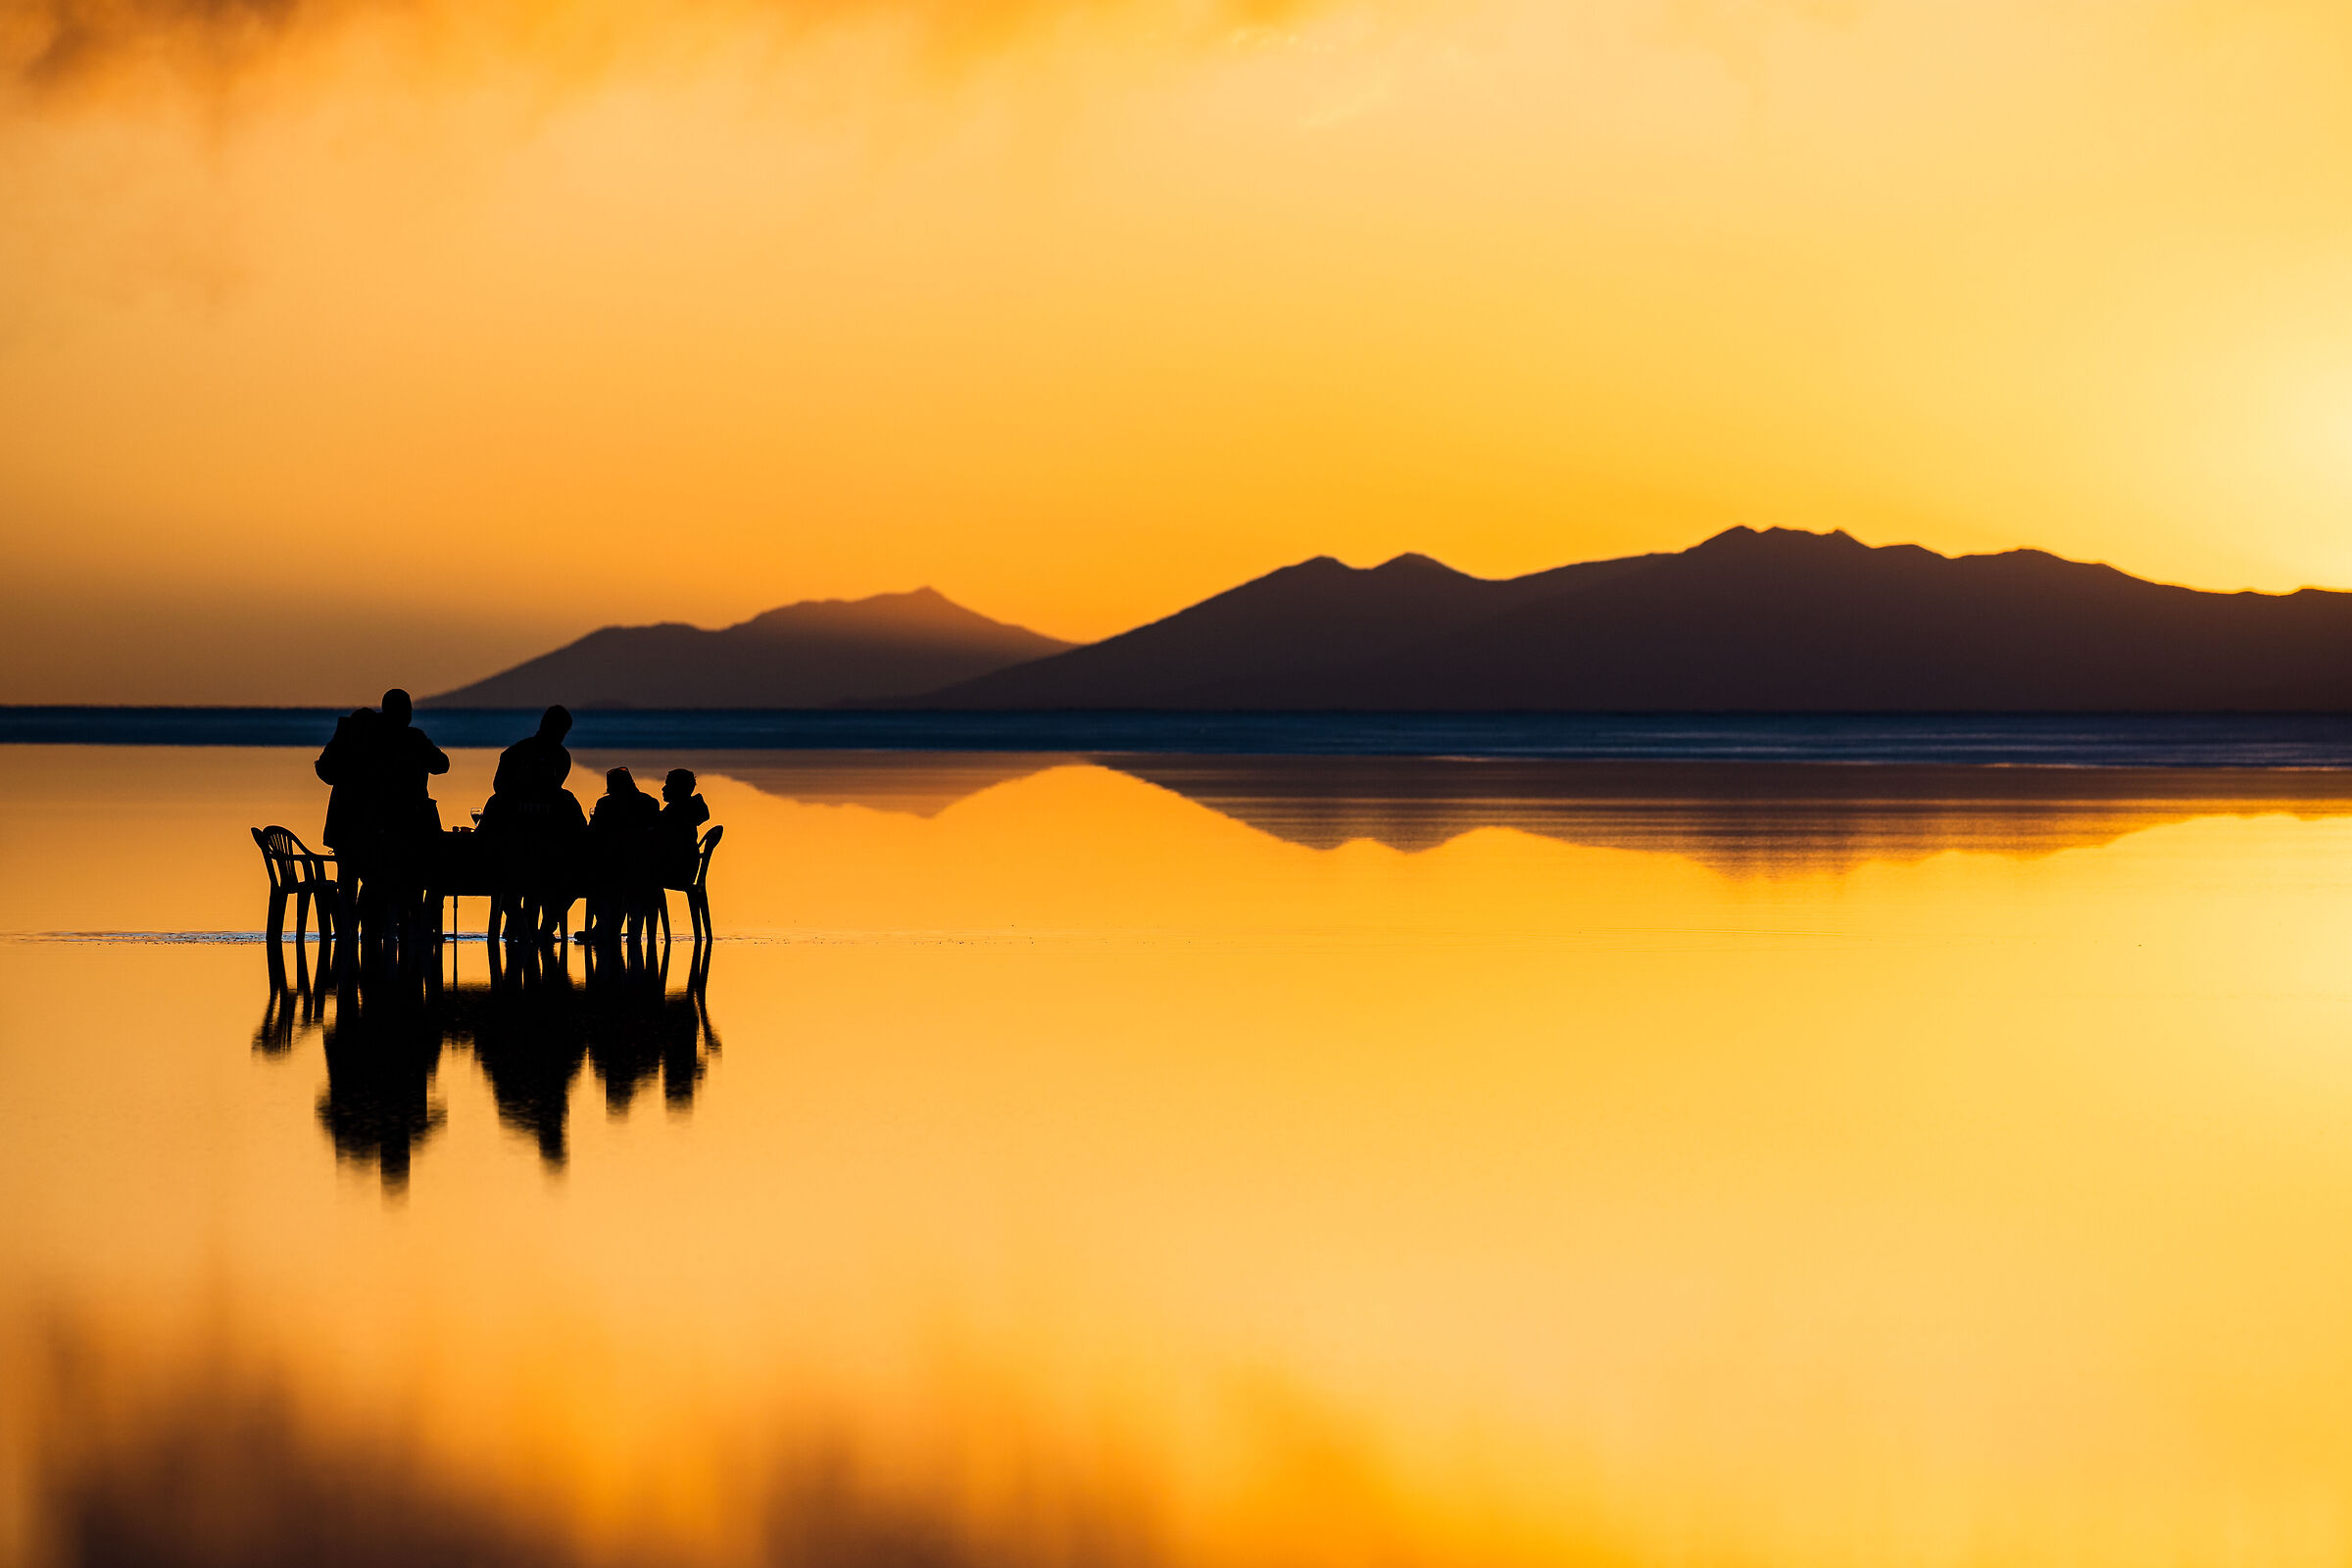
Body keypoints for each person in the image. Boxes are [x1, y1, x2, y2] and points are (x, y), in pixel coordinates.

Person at [586, 767, 662, 943]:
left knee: (598, 878)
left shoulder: (605, 805)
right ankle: (608, 926)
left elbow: (594, 834)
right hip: (645, 866)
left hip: (621, 866)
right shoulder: (649, 802)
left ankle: (606, 925)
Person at [657, 768, 710, 888]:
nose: (663, 788)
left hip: (679, 870)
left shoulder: (677, 811)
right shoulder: (685, 808)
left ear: (678, 789)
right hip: (686, 868)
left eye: (668, 785)